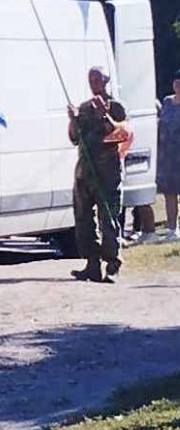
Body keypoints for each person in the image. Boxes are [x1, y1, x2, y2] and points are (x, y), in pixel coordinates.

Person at [67, 66, 130, 281]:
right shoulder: (84, 108)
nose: (94, 83)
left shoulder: (116, 106)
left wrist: (105, 116)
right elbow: (75, 138)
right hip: (85, 171)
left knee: (108, 218)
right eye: (90, 79)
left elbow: (120, 134)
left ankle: (112, 264)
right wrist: (73, 120)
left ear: (106, 81)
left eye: (97, 79)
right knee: (83, 218)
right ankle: (91, 263)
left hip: (107, 172)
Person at [157, 70, 179, 241]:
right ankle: (172, 228)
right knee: (169, 193)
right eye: (176, 82)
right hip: (167, 155)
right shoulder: (166, 102)